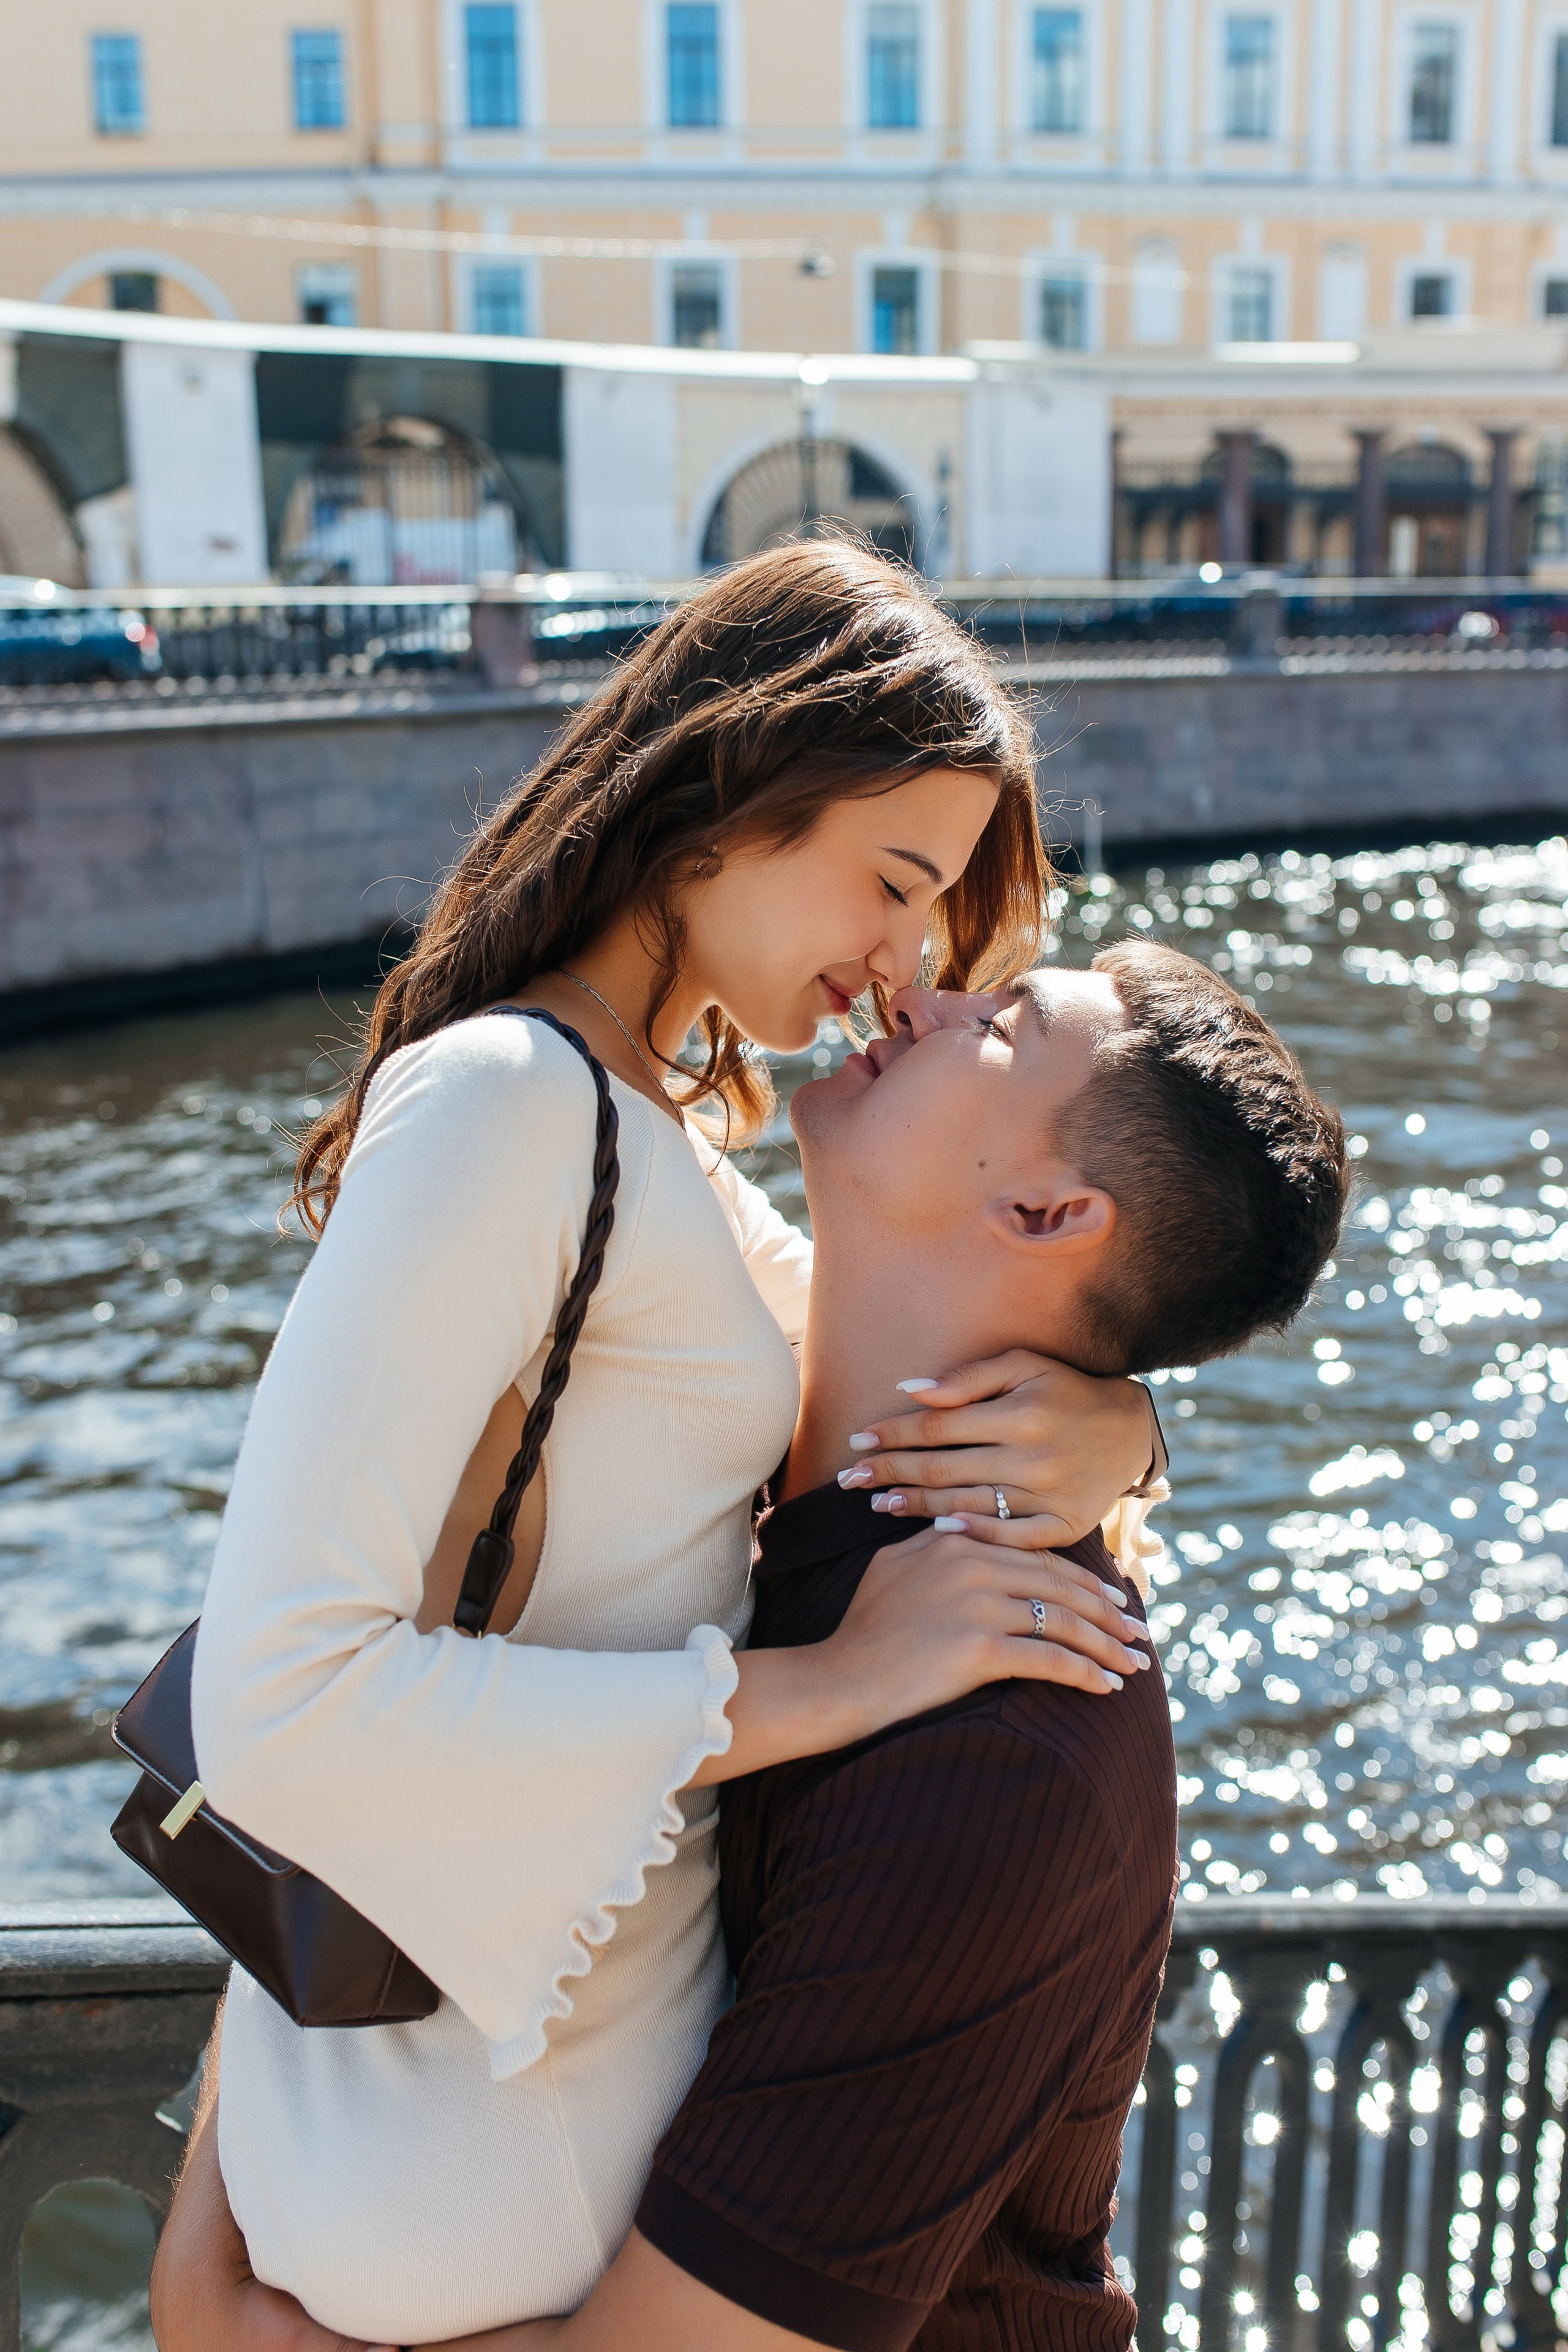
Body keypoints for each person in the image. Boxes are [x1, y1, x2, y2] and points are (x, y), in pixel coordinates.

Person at [160, 542, 1165, 2350]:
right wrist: (833, 1686)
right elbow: (278, 1703)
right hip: (508, 2135)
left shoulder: (647, 1142)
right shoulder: (514, 1103)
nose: (904, 962)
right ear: (728, 790)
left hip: (496, 2087)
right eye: (894, 881)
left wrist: (1124, 1422)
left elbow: (887, 1340)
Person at [154, 939, 1347, 2352]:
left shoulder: (997, 1755)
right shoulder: (748, 1495)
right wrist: (217, 2217)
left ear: (1044, 1211)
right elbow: (355, 1763)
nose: (922, 992)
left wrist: (234, 2318)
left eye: (1002, 1022)